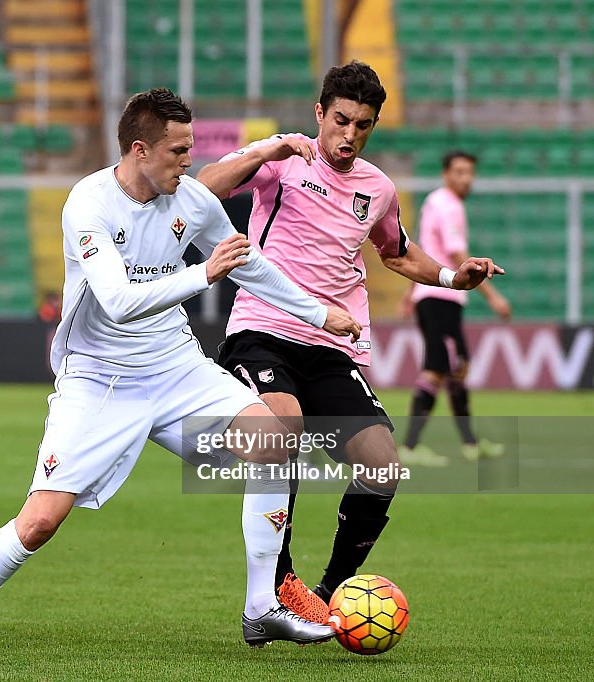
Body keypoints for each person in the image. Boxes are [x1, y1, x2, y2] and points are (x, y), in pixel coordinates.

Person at [0, 88, 363, 660]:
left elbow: (249, 265)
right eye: (177, 151)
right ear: (139, 149)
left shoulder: (191, 200)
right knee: (40, 522)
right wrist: (203, 276)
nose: (187, 161)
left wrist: (319, 313)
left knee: (272, 441)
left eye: (190, 149)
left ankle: (259, 608)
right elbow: (118, 301)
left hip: (175, 366)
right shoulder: (87, 204)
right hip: (99, 378)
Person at [197, 61, 504, 624]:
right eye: (341, 120)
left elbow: (396, 252)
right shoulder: (284, 163)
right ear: (320, 113)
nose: (349, 135)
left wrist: (451, 279)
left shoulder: (378, 188)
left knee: (382, 466)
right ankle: (279, 581)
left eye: (363, 125)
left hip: (333, 347)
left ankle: (331, 590)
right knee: (280, 428)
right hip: (263, 330)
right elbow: (201, 191)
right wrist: (265, 152)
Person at [399, 150, 511, 465]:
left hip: (435, 297)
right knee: (438, 367)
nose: (466, 179)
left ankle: (470, 444)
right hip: (439, 297)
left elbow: (422, 249)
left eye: (470, 172)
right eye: (460, 172)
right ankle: (409, 447)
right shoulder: (447, 204)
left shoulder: (438, 203)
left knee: (457, 367)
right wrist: (493, 297)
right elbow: (457, 254)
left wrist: (410, 292)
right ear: (446, 174)